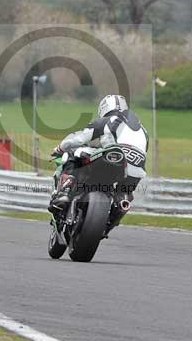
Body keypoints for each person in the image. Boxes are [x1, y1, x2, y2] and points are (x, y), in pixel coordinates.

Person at [48, 94, 148, 235]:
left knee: (74, 153)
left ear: (104, 107)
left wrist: (59, 148)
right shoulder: (143, 130)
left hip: (113, 158)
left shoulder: (109, 120)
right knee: (124, 197)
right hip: (135, 171)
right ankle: (113, 218)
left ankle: (64, 193)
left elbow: (78, 139)